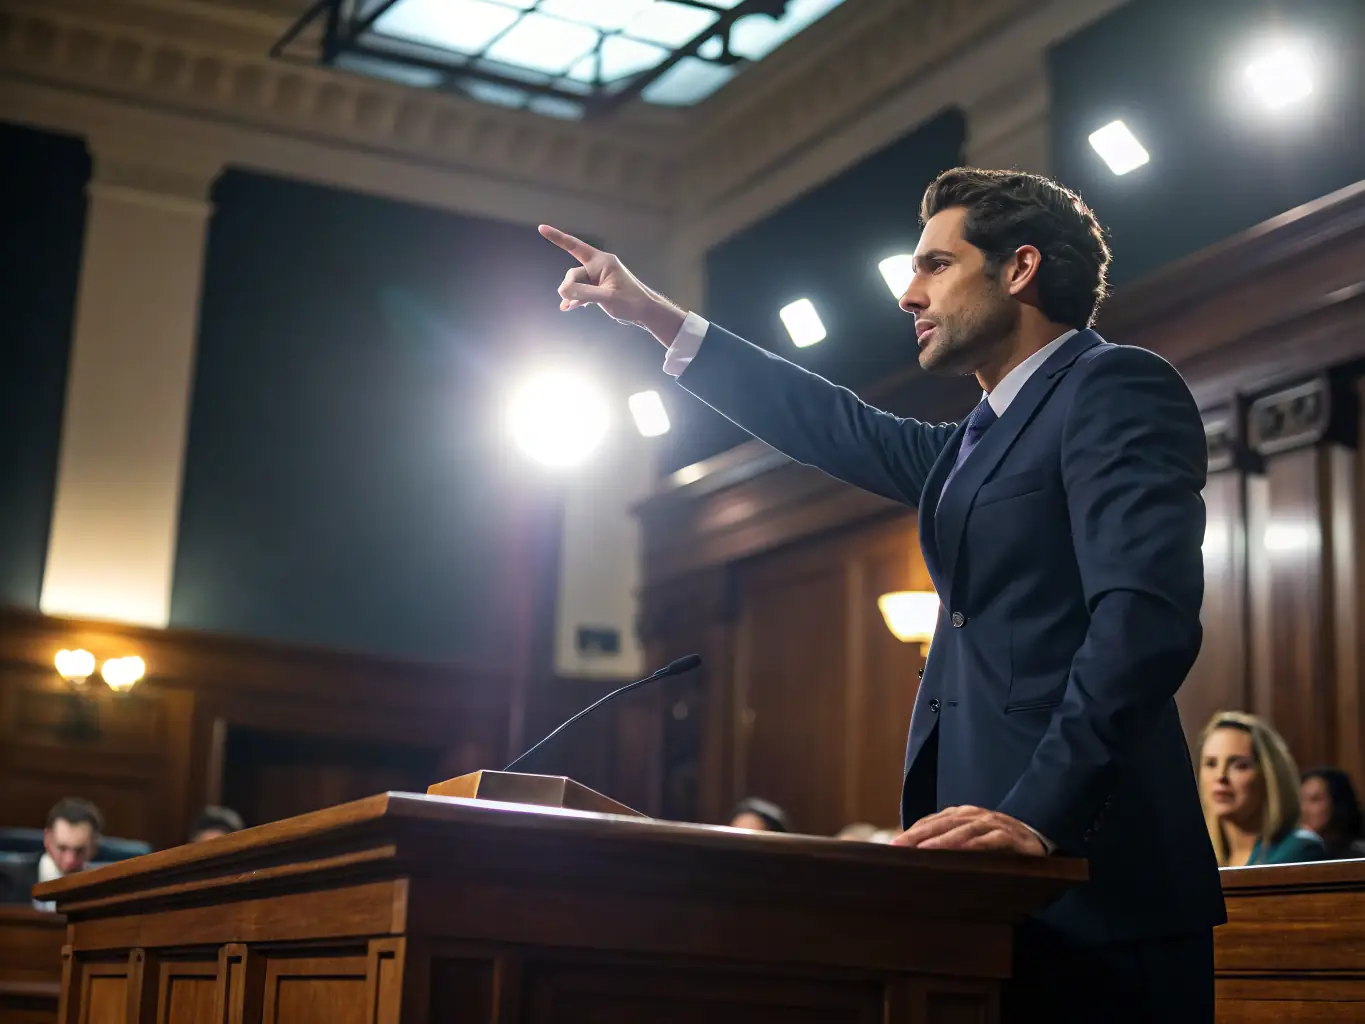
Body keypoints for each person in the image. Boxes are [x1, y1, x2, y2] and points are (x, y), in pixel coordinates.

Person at [539, 166, 1224, 1021]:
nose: (907, 294)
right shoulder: (974, 443)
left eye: (935, 265)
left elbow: (1142, 619)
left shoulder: (1114, 387)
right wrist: (655, 318)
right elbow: (831, 423)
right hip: (978, 895)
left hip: (1095, 886)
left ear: (1019, 270)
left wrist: (1041, 815)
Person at [1198, 711, 1326, 865]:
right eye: (1211, 763)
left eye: (1239, 765)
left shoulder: (1299, 850)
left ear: (1269, 777)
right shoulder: (1196, 857)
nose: (1220, 776)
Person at [0, 797, 103, 908]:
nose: (69, 860)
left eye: (80, 850)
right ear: (47, 838)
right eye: (62, 848)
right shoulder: (6, 882)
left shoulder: (104, 889)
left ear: (94, 847)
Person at [1300, 768, 1365, 858]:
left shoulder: (1356, 857)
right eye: (1301, 800)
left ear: (1337, 803)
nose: (1303, 809)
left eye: (1315, 799)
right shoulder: (1299, 851)